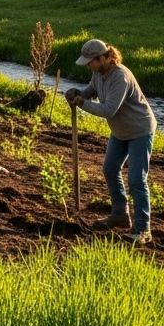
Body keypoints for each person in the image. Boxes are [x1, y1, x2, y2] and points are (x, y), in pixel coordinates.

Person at [67, 38, 157, 245]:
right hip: (120, 130)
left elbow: (109, 109)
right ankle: (120, 214)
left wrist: (82, 104)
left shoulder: (120, 77)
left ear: (104, 58)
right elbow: (92, 89)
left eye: (91, 62)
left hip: (139, 130)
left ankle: (143, 229)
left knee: (136, 179)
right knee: (109, 168)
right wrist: (78, 93)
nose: (88, 66)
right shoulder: (99, 74)